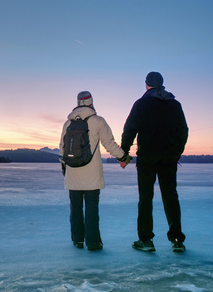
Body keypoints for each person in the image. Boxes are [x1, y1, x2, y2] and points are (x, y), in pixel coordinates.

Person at [120, 71, 189, 253]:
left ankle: (146, 240)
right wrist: (176, 153)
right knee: (171, 197)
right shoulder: (174, 105)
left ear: (146, 84)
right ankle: (177, 240)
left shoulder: (141, 104)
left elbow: (129, 129)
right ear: (162, 84)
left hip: (147, 158)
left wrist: (123, 153)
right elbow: (183, 131)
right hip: (168, 158)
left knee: (145, 198)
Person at [59, 91, 130, 251]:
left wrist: (64, 167)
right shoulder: (98, 121)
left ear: (77, 103)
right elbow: (109, 144)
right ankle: (93, 242)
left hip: (72, 172)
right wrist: (123, 157)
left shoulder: (67, 124)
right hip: (92, 173)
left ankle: (77, 240)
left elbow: (62, 148)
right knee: (92, 207)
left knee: (75, 207)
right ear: (91, 103)